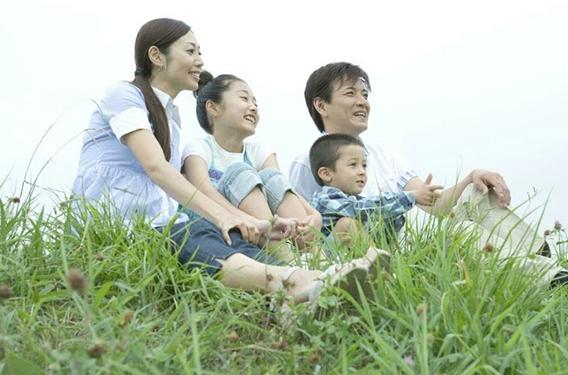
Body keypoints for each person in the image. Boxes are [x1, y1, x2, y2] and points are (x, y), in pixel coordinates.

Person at [71, 19, 389, 312]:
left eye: (201, 52)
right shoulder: (124, 95)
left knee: (229, 238)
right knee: (193, 230)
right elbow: (156, 169)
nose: (200, 60)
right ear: (157, 55)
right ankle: (300, 281)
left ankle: (302, 297)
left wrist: (245, 224)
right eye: (190, 51)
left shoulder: (173, 119)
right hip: (115, 224)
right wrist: (228, 217)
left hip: (155, 223)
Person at [289, 61, 568, 293]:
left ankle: (553, 269)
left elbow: (437, 205)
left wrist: (472, 176)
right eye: (350, 93)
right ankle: (558, 282)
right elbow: (307, 237)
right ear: (321, 104)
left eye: (365, 94)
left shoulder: (383, 155)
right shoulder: (307, 164)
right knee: (462, 233)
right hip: (381, 262)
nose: (362, 102)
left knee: (476, 194)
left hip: (406, 250)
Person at [181, 72, 322, 258]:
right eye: (244, 98)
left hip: (263, 226)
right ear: (213, 107)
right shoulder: (199, 148)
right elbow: (203, 191)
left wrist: (314, 215)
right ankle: (287, 259)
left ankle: (319, 259)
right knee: (240, 172)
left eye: (255, 103)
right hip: (224, 226)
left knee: (271, 177)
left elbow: (282, 187)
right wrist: (247, 220)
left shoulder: (257, 151)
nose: (253, 108)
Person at [309, 133, 442, 245]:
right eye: (353, 165)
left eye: (364, 165)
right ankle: (383, 267)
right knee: (347, 224)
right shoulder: (325, 199)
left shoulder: (354, 199)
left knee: (388, 221)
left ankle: (391, 263)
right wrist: (411, 197)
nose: (362, 171)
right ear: (326, 174)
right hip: (328, 260)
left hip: (351, 260)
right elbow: (360, 209)